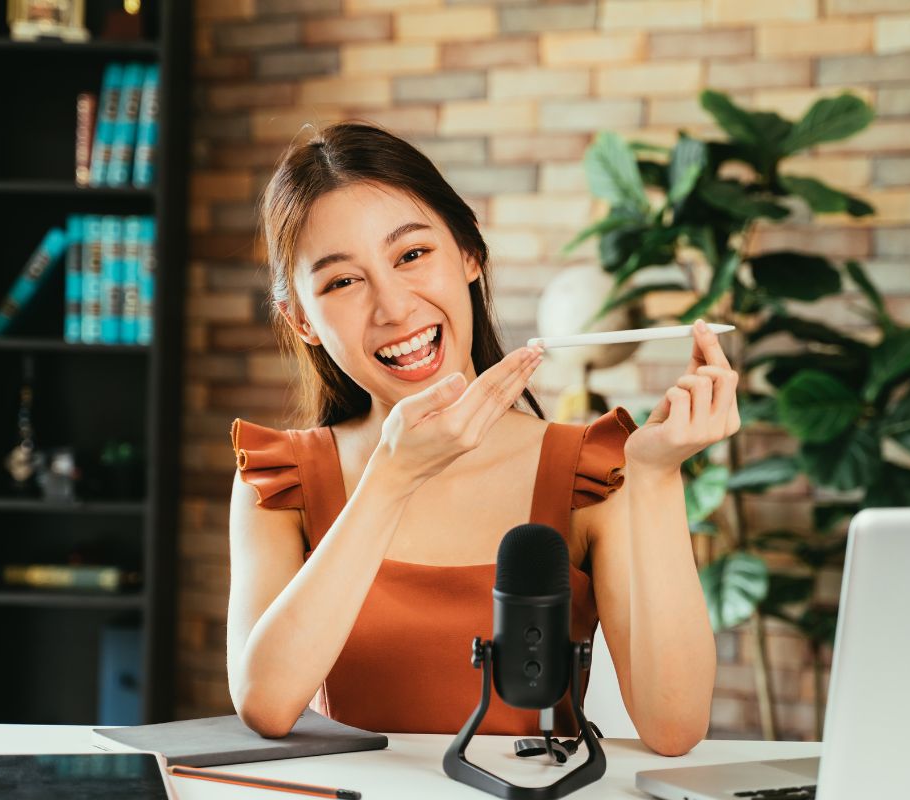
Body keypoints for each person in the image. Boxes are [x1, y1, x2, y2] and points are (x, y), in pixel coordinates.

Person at [226, 121, 740, 756]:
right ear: (301, 320)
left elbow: (675, 726)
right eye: (341, 282)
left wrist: (658, 476)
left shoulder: (593, 468)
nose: (393, 307)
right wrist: (391, 479)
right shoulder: (284, 479)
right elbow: (265, 706)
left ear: (469, 253)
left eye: (412, 255)